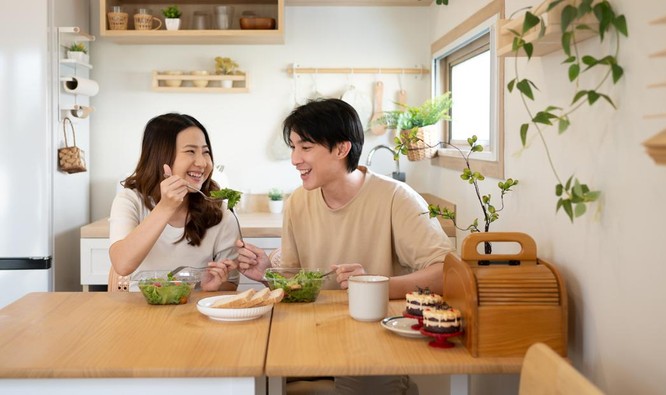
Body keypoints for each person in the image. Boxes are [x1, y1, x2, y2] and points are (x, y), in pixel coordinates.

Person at [232, 99, 454, 394]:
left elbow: (445, 273)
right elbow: (295, 280)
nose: (295, 159)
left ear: (341, 149)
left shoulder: (397, 198)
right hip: (310, 337)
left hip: (373, 343)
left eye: (306, 148)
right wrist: (266, 274)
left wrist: (375, 285)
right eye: (294, 147)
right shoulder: (298, 201)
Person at [109, 113, 239, 291]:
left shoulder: (219, 211)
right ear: (161, 157)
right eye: (190, 151)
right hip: (141, 310)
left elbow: (231, 283)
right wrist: (165, 208)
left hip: (195, 313)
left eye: (206, 152)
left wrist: (213, 288)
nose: (202, 162)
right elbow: (122, 265)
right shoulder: (130, 200)